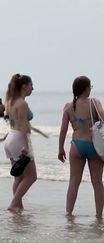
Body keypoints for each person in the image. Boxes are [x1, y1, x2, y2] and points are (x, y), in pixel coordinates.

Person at [58, 76, 104, 218]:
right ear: (86, 88)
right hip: (94, 146)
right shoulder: (95, 103)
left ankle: (69, 214)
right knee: (97, 182)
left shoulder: (68, 106)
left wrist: (60, 149)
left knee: (74, 181)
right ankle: (98, 216)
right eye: (90, 86)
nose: (91, 89)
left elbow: (63, 130)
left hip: (77, 146)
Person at [4, 73, 37, 213]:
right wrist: (25, 145)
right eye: (31, 85)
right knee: (31, 176)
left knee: (19, 176)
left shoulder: (10, 101)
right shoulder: (22, 103)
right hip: (19, 140)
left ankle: (18, 206)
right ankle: (14, 203)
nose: (32, 88)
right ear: (24, 87)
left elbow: (13, 122)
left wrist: (8, 136)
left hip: (11, 138)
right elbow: (23, 125)